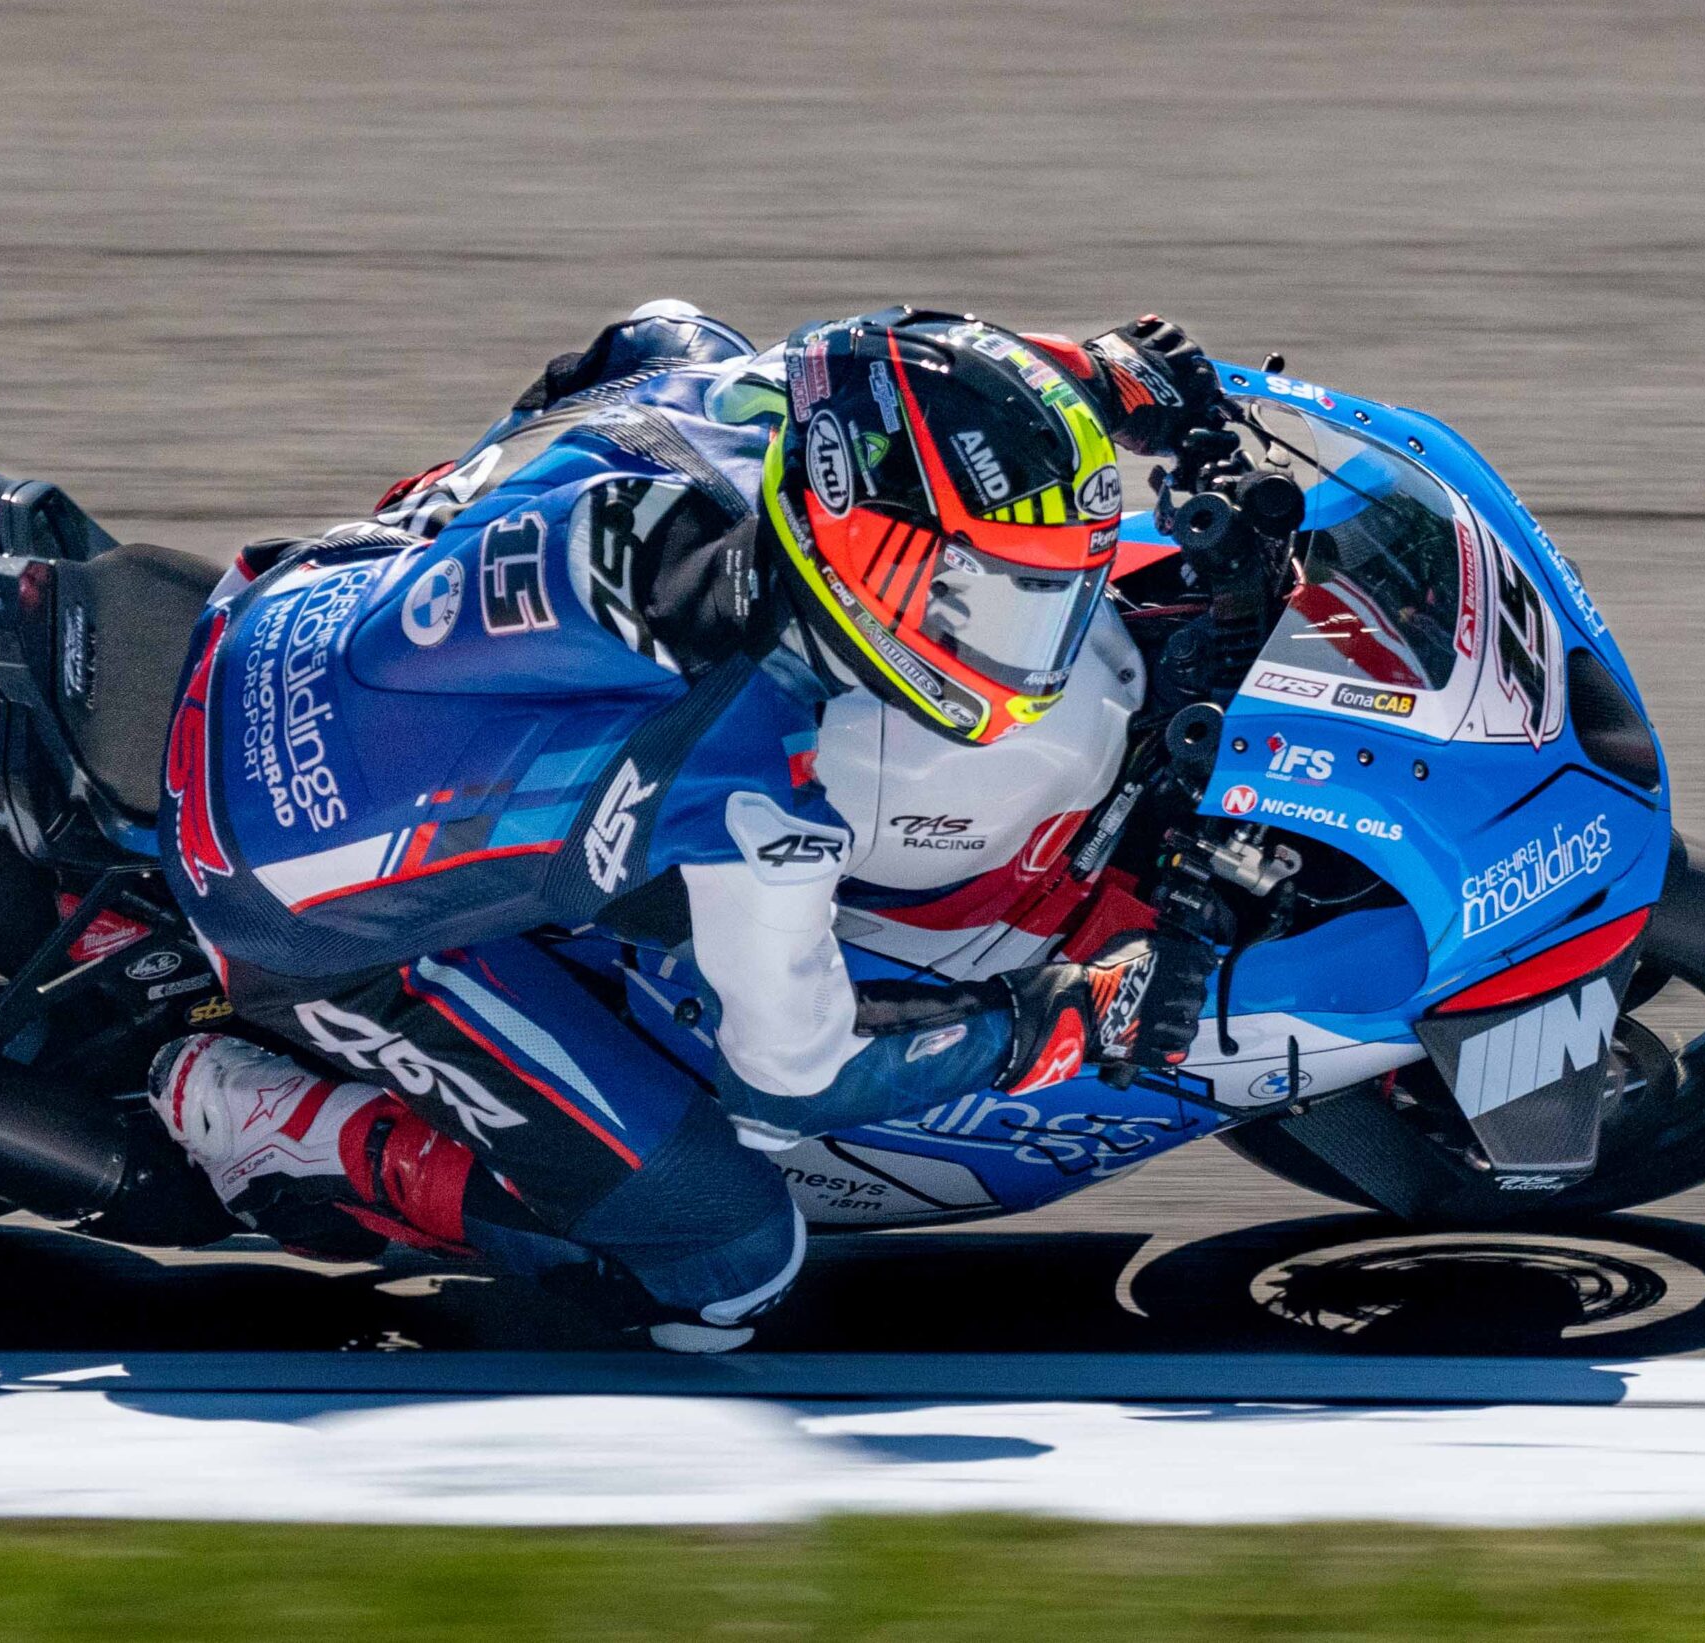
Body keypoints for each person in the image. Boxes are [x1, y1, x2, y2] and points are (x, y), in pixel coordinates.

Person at [148, 302, 1231, 1349]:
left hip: (292, 598)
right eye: (986, 599)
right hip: (270, 889)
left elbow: (876, 365)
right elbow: (799, 1075)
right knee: (726, 1263)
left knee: (666, 335)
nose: (1024, 649)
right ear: (870, 542)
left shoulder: (751, 406)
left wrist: (1085, 375)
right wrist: (1054, 1019)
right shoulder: (746, 780)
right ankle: (284, 1133)